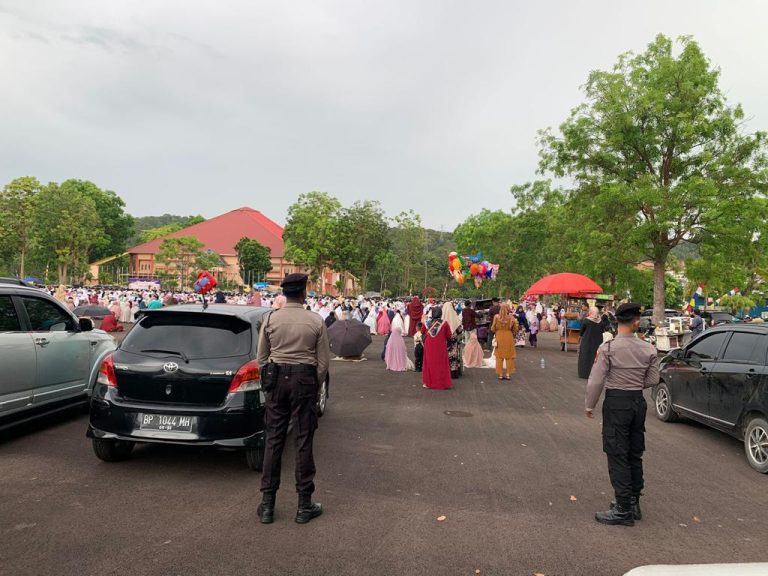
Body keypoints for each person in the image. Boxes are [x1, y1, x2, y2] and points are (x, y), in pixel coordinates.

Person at [256, 273, 330, 525]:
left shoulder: (270, 318)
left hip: (277, 379)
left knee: (274, 440)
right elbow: (323, 364)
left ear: (284, 293)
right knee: (303, 440)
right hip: (305, 379)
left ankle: (267, 505)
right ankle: (303, 505)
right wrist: (312, 382)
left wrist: (270, 382)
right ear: (304, 292)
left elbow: (262, 359)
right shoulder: (315, 320)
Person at [585, 303, 660, 527]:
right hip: (638, 402)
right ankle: (634, 503)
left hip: (617, 402)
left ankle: (622, 509)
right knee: (634, 452)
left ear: (617, 321)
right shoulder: (649, 349)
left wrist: (590, 405)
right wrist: (636, 383)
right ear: (637, 322)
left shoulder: (608, 348)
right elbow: (653, 379)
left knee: (617, 452)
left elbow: (596, 380)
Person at [422, 307, 453, 390]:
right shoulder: (445, 323)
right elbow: (449, 336)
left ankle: (429, 382)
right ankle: (442, 383)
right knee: (440, 363)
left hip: (429, 345)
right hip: (440, 346)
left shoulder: (427, 322)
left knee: (429, 362)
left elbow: (422, 332)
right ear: (441, 313)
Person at [491, 304, 519, 380]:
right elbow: (515, 330)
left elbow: (493, 328)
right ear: (507, 309)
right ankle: (508, 374)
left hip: (499, 336)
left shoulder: (496, 317)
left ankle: (500, 374)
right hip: (508, 337)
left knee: (499, 357)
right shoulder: (511, 317)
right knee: (509, 356)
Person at [578, 307, 604, 379]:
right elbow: (603, 331)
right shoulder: (600, 321)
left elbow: (581, 331)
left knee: (585, 356)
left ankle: (584, 373)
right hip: (597, 342)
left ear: (591, 312)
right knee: (595, 357)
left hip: (587, 341)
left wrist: (580, 337)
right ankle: (595, 374)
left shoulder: (587, 320)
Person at [443, 302, 463, 379]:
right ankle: (453, 372)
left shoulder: (442, 317)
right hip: (453, 340)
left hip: (444, 340)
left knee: (444, 356)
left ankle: (444, 371)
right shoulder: (455, 316)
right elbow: (460, 330)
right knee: (453, 356)